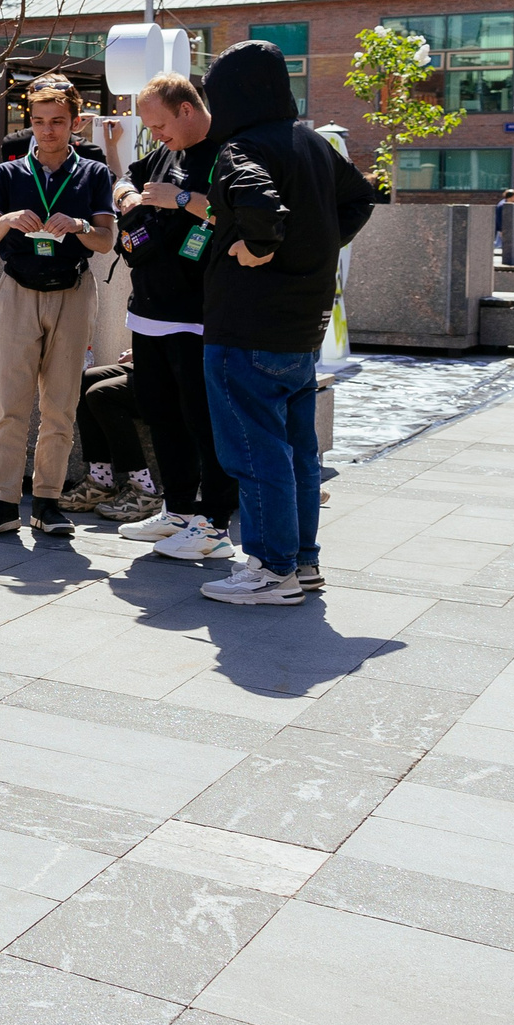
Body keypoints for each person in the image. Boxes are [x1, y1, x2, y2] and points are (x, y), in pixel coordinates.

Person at [193, 40, 375, 605]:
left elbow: (260, 204)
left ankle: (273, 571)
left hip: (246, 325)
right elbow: (363, 197)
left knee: (253, 451)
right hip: (303, 325)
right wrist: (312, 246)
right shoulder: (315, 144)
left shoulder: (241, 147)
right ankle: (302, 562)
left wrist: (260, 244)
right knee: (297, 451)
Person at [0, 77, 118, 537]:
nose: (47, 131)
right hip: (18, 291)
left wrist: (76, 225)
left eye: (57, 122)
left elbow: (106, 240)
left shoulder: (93, 173)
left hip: (73, 291)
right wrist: (9, 219)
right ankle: (3, 504)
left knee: (60, 404)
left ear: (74, 123)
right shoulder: (9, 175)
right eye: (38, 122)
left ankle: (48, 502)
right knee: (10, 404)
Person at [109, 73, 241, 556]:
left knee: (203, 420)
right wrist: (125, 195)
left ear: (187, 109)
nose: (156, 134)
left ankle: (215, 523)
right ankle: (179, 508)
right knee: (162, 415)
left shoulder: (229, 152)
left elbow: (241, 218)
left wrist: (183, 200)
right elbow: (127, 174)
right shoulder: (166, 151)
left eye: (160, 124)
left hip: (199, 313)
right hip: (148, 309)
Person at [60, 356, 162, 521]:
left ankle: (144, 490)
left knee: (101, 394)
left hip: (176, 366)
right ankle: (102, 483)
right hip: (151, 360)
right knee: (84, 380)